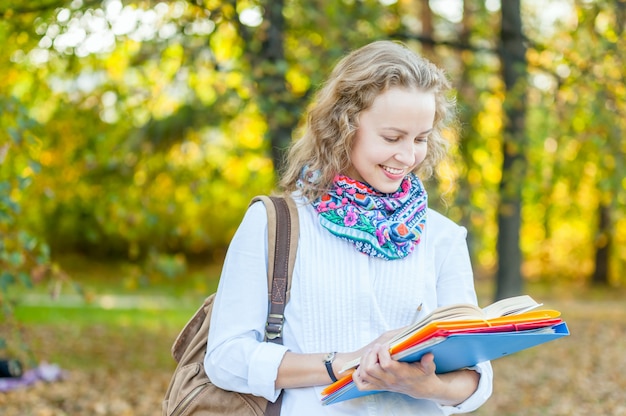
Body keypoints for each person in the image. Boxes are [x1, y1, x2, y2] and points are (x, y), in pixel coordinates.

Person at [205, 40, 493, 415]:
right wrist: (342, 363)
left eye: (420, 139)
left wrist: (429, 386)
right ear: (343, 126)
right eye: (391, 138)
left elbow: (476, 377)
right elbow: (226, 357)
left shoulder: (442, 237)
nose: (407, 157)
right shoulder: (275, 224)